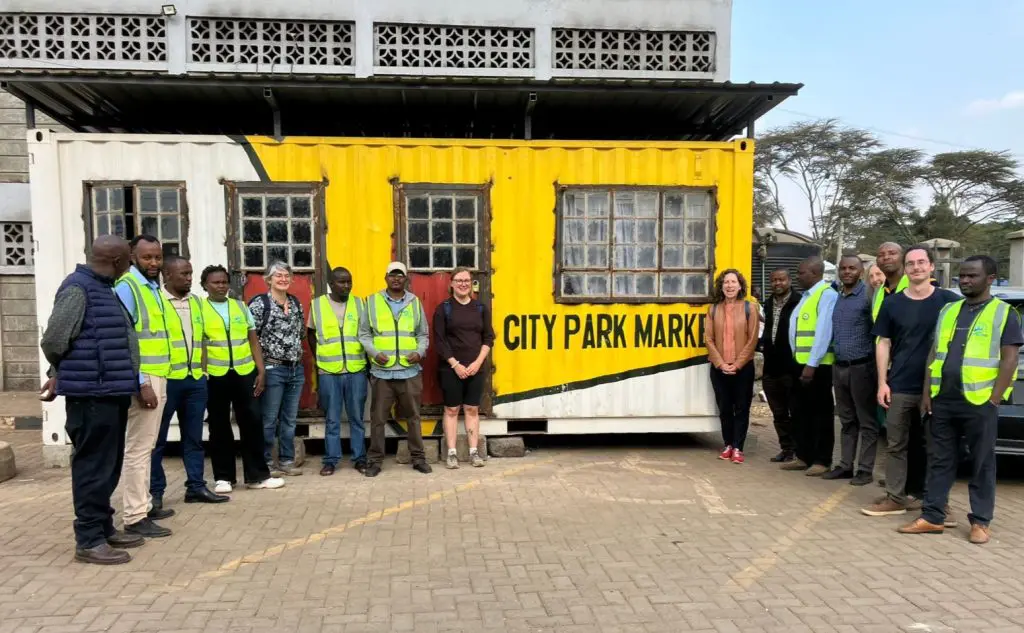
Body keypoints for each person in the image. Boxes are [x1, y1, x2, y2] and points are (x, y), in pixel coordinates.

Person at [899, 255, 1022, 543]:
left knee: (981, 462)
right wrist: (929, 393)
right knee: (940, 460)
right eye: (962, 276)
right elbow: (934, 354)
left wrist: (994, 398)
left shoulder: (1004, 313)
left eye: (972, 276)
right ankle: (932, 516)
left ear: (990, 278)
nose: (965, 281)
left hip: (980, 402)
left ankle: (980, 521)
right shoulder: (949, 310)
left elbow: (1010, 359)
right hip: (943, 400)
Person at [40, 236, 143, 564]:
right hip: (92, 394)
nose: (131, 264)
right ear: (116, 260)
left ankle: (103, 526)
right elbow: (55, 339)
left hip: (110, 390)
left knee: (108, 464)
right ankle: (88, 539)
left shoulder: (103, 287)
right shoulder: (78, 289)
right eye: (129, 258)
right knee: (92, 467)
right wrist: (61, 371)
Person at [862, 245, 960, 518]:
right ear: (905, 270)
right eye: (911, 264)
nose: (916, 267)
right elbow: (884, 343)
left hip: (938, 387)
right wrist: (883, 382)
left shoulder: (949, 302)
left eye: (921, 262)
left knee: (938, 447)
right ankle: (896, 497)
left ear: (931, 267)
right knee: (896, 444)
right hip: (901, 385)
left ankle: (938, 502)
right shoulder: (892, 303)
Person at [149, 256, 228, 506]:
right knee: (156, 440)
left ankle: (195, 487)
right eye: (183, 274)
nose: (189, 278)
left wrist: (204, 371)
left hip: (194, 380)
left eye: (190, 273)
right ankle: (156, 493)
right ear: (167, 276)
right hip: (167, 379)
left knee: (193, 438)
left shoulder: (196, 302)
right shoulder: (157, 301)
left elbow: (204, 337)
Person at [201, 265, 284, 492]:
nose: (221, 286)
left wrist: (261, 371)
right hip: (215, 376)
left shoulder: (239, 306)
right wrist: (202, 371)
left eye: (224, 282)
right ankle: (224, 478)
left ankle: (257, 476)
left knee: (252, 422)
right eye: (215, 282)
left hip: (244, 373)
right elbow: (199, 344)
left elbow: (253, 340)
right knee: (219, 426)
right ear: (205, 285)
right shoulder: (199, 308)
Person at [114, 235, 173, 539]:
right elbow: (124, 338)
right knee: (138, 448)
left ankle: (144, 506)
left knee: (146, 446)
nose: (154, 263)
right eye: (147, 257)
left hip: (158, 374)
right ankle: (135, 516)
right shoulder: (128, 287)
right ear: (133, 257)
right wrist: (141, 383)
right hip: (145, 379)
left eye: (158, 257)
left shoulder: (152, 288)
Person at [358, 261, 431, 477]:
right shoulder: (372, 302)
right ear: (386, 277)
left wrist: (420, 352)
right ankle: (375, 460)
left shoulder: (415, 303)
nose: (396, 279)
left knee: (414, 417)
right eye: (392, 275)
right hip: (382, 372)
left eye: (400, 275)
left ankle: (418, 458)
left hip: (409, 371)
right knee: (378, 419)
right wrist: (373, 353)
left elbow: (423, 334)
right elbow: (364, 334)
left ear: (406, 278)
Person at [307, 267, 369, 476]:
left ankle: (359, 458)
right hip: (329, 371)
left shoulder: (360, 303)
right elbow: (311, 334)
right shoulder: (317, 305)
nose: (346, 286)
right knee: (332, 419)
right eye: (342, 282)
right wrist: (319, 360)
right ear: (331, 284)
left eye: (349, 281)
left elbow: (367, 335)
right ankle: (331, 460)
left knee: (357, 418)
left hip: (356, 368)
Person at [432, 266, 495, 469]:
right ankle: (451, 453)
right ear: (451, 284)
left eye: (466, 280)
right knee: (451, 410)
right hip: (451, 369)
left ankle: (473, 452)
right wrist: (456, 365)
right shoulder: (444, 309)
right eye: (459, 280)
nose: (463, 284)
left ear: (471, 284)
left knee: (472, 408)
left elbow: (488, 338)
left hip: (476, 368)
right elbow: (440, 342)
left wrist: (477, 363)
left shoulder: (480, 308)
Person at [781, 256, 838, 476]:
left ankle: (822, 460)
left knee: (821, 414)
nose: (798, 276)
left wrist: (811, 364)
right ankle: (803, 456)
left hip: (817, 367)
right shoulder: (807, 296)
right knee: (800, 412)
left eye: (801, 272)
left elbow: (823, 333)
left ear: (815, 273)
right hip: (800, 364)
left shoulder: (827, 296)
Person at [824, 254, 878, 486]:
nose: (847, 272)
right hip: (840, 366)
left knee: (866, 421)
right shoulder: (837, 297)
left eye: (852, 268)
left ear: (861, 271)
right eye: (843, 268)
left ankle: (865, 469)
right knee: (846, 420)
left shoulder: (868, 296)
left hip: (862, 367)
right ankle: (846, 465)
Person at [249, 261, 306, 477]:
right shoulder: (259, 304)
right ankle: (266, 462)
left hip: (295, 369)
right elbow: (251, 336)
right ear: (269, 279)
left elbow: (300, 333)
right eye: (278, 276)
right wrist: (260, 369)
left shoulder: (295, 303)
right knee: (269, 418)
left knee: (290, 419)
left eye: (286, 276)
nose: (283, 279)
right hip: (272, 368)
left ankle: (286, 460)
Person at [705, 269, 759, 464]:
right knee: (725, 408)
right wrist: (721, 364)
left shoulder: (750, 308)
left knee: (742, 408)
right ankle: (727, 444)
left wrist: (736, 364)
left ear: (740, 285)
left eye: (733, 282)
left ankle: (738, 447)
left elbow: (752, 339)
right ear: (721, 286)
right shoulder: (713, 310)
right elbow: (709, 339)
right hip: (719, 369)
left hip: (743, 368)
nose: (729, 286)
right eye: (726, 282)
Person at [760, 268, 801, 463]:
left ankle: (799, 450)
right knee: (778, 413)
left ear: (789, 280)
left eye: (782, 280)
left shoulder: (799, 302)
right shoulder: (767, 304)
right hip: (771, 368)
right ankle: (786, 449)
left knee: (795, 410)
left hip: (791, 368)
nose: (778, 283)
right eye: (774, 280)